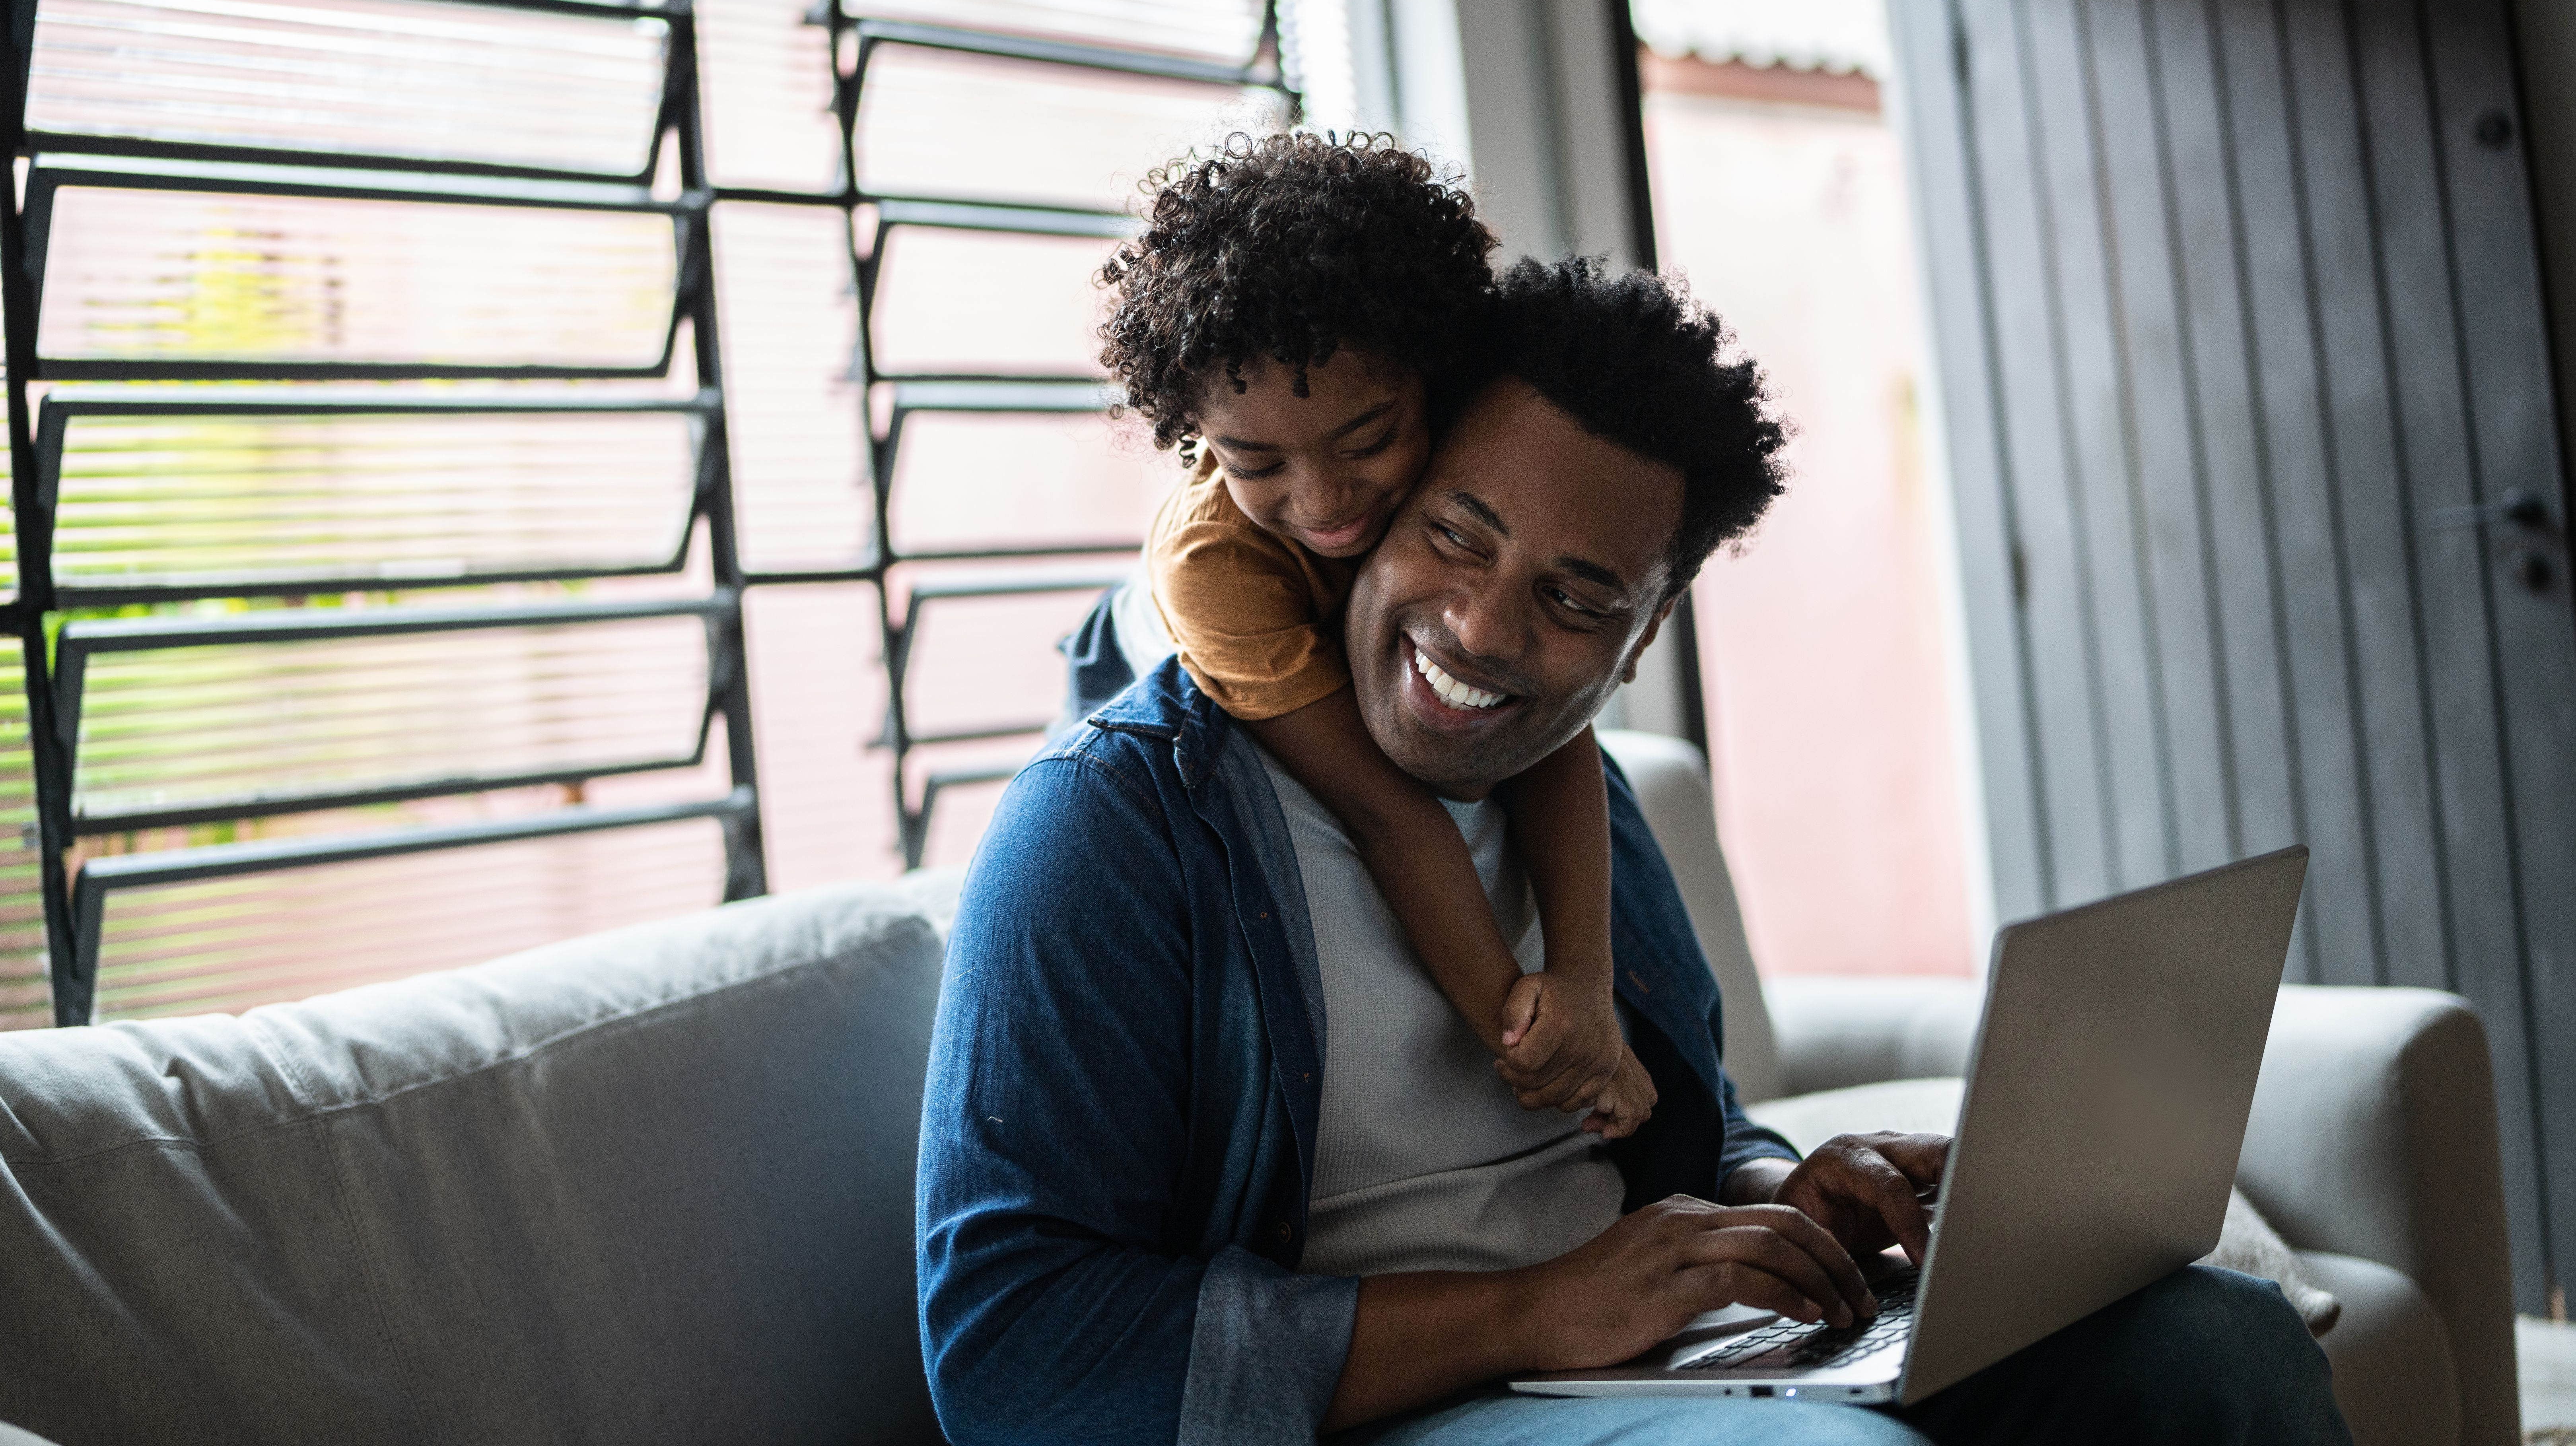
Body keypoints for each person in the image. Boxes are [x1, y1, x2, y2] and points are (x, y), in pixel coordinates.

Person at [918, 255, 2351, 1446]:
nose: (1483, 632)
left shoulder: (1569, 789)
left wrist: (1771, 1193)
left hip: (1643, 1360)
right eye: (1454, 537)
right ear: (1362, 519)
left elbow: (1681, 1125)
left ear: (1642, 635)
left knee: (2219, 1352)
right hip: (1390, 1406)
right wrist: (1534, 1308)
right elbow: (1010, 1350)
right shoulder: (1115, 826)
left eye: (1573, 598)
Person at [1097, 131, 1648, 1134]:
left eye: (1367, 440)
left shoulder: (1457, 479)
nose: (1323, 500)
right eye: (1253, 460)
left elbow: (1554, 738)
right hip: (1157, 643)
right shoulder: (1214, 562)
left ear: (1432, 383)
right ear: (1195, 433)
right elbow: (1384, 809)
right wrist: (1539, 1041)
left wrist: (1584, 977)